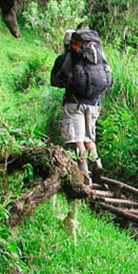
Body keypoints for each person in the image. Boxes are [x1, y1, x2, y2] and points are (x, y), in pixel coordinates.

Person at [50, 29, 113, 182]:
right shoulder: (96, 58)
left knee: (77, 139)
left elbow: (54, 82)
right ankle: (97, 161)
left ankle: (84, 175)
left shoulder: (65, 59)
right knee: (89, 139)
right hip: (94, 104)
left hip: (74, 104)